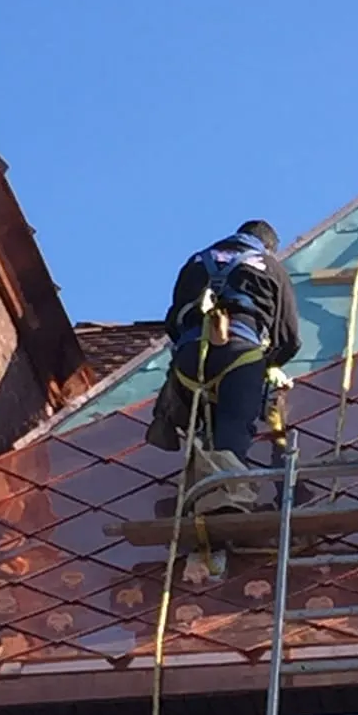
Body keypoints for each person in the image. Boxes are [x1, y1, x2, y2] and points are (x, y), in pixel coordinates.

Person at [146, 220, 301, 514]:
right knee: (234, 425)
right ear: (268, 247)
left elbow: (173, 322)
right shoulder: (269, 265)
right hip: (239, 355)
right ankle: (227, 499)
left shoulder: (197, 260)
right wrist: (269, 365)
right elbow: (289, 337)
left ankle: (196, 492)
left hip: (189, 359)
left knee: (201, 424)